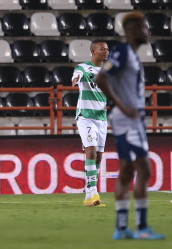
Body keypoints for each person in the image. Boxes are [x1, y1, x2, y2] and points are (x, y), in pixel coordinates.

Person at [95, 12, 165, 240]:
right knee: (144, 169)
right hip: (128, 121)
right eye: (145, 27)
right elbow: (101, 78)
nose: (148, 31)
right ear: (133, 30)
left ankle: (122, 228)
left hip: (131, 120)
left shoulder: (130, 55)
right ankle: (142, 228)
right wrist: (123, 107)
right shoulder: (123, 52)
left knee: (126, 172)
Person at [71, 40, 109, 207]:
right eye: (102, 49)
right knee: (91, 151)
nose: (106, 52)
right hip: (85, 116)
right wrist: (76, 79)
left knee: (99, 155)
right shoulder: (83, 67)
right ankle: (93, 191)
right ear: (93, 51)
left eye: (107, 49)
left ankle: (88, 194)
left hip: (101, 118)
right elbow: (77, 75)